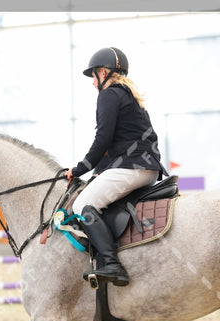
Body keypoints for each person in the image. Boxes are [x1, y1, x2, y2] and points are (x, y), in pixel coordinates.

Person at [65, 47, 168, 287]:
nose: (93, 83)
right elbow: (113, 143)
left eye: (93, 76)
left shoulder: (109, 94)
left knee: (81, 205)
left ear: (103, 72)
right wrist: (98, 170)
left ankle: (111, 264)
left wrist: (79, 169)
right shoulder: (128, 94)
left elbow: (102, 139)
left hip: (133, 168)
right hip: (145, 168)